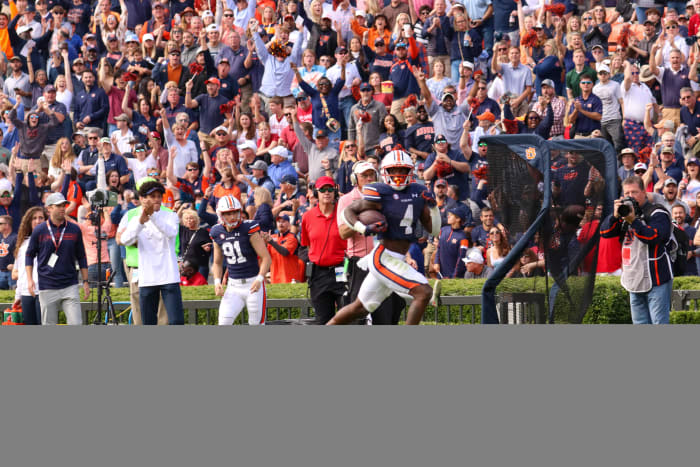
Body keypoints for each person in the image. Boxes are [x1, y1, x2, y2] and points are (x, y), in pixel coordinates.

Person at [328, 150, 440, 325]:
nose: (398, 175)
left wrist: (434, 208)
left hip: (399, 258)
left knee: (360, 308)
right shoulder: (379, 192)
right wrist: (362, 227)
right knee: (423, 292)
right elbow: (348, 211)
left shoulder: (418, 191)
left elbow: (433, 231)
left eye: (402, 170)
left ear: (409, 171)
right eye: (393, 170)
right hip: (384, 258)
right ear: (385, 172)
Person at [600, 175, 673, 324]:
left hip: (656, 279)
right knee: (639, 324)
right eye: (626, 193)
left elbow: (653, 237)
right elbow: (605, 233)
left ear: (644, 192)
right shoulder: (623, 214)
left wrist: (633, 221)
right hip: (633, 278)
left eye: (634, 192)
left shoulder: (657, 212)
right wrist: (614, 217)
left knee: (658, 323)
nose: (630, 197)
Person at [119, 179, 184, 325]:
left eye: (158, 196)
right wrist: (141, 222)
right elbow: (125, 240)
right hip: (147, 278)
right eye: (152, 196)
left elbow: (171, 232)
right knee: (148, 322)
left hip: (169, 276)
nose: (156, 199)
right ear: (142, 199)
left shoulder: (171, 215)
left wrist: (152, 216)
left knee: (176, 321)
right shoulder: (135, 218)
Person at [25, 193, 90, 325]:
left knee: (76, 324)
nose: (62, 208)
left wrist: (86, 281)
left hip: (70, 285)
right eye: (58, 205)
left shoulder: (74, 229)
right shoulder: (39, 230)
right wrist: (30, 280)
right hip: (47, 286)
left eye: (64, 205)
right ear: (49, 208)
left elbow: (82, 256)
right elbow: (29, 255)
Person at [210, 195, 272, 325]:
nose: (233, 216)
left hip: (253, 284)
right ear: (221, 214)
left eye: (235, 212)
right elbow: (217, 262)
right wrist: (217, 282)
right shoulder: (216, 231)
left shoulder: (248, 228)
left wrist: (259, 279)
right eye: (228, 213)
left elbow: (266, 258)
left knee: (256, 324)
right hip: (233, 286)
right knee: (224, 322)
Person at [301, 175, 347, 324]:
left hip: (342, 271)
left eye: (330, 189)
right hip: (318, 275)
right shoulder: (307, 217)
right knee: (322, 320)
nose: (327, 193)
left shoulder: (344, 214)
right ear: (316, 193)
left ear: (335, 192)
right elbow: (307, 245)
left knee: (346, 318)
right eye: (323, 190)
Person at [12, 206, 45, 325]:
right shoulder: (23, 244)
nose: (38, 221)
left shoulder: (51, 241)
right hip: (26, 293)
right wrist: (18, 295)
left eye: (41, 218)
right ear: (29, 222)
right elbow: (21, 272)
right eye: (34, 218)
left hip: (44, 291)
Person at [263, 214, 304, 284]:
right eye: (279, 222)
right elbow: (266, 256)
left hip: (289, 279)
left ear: (289, 224)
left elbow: (285, 252)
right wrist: (263, 243)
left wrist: (271, 242)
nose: (280, 224)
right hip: (275, 280)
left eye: (283, 221)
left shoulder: (292, 237)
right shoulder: (272, 237)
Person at [0, 214, 16, 289]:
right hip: (0, 272)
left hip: (11, 272)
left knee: (13, 294)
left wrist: (15, 266)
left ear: (7, 225)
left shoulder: (15, 238)